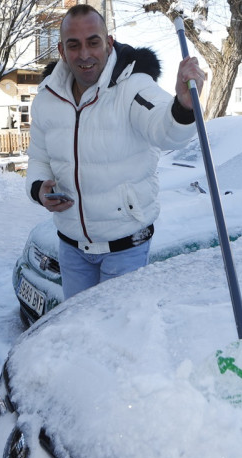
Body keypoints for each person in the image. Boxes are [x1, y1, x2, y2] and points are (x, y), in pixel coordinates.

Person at [27, 4, 207, 300]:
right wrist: (39, 188)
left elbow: (165, 129)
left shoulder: (132, 86)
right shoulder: (48, 98)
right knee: (80, 331)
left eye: (93, 42)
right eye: (74, 45)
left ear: (108, 43)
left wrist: (184, 105)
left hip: (125, 249)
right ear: (61, 50)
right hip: (72, 249)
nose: (84, 54)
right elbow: (38, 158)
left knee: (119, 336)